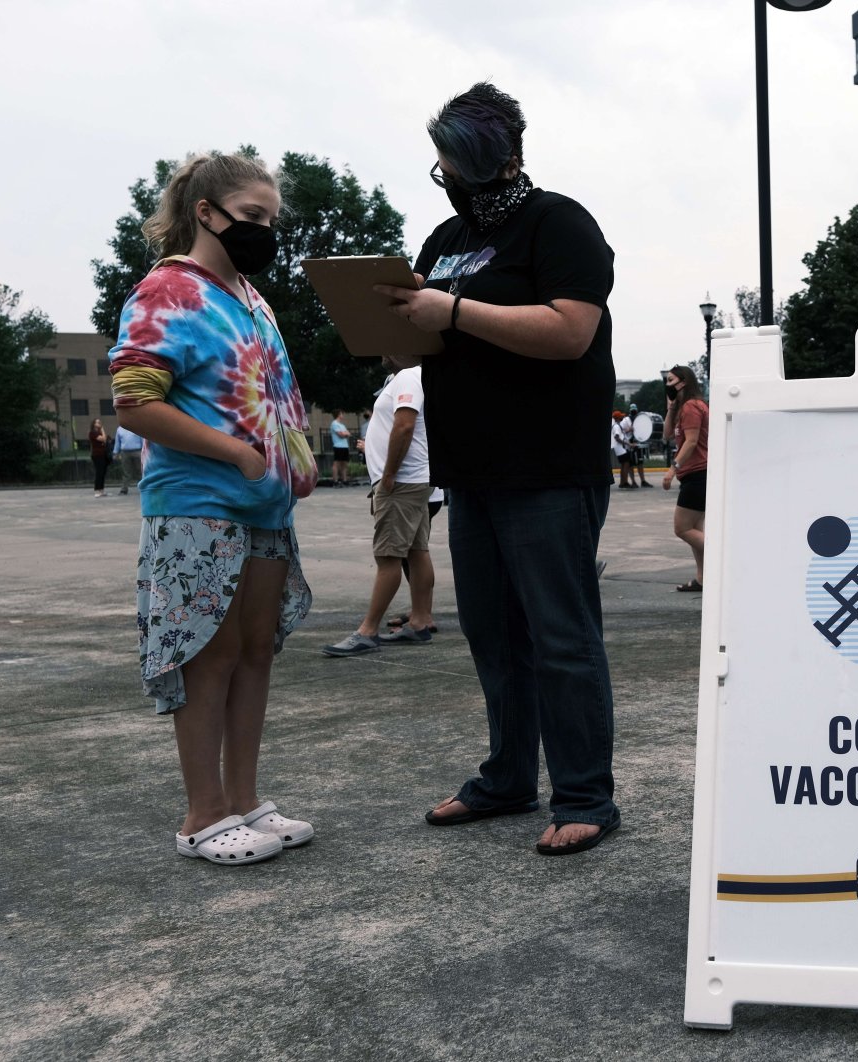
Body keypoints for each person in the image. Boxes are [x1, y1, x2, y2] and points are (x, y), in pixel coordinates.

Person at [375, 82, 620, 855]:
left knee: (561, 637)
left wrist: (449, 310)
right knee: (492, 635)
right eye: (440, 161)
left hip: (549, 467)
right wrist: (393, 326)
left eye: (452, 159)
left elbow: (569, 331)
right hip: (470, 469)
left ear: (496, 154)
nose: (444, 173)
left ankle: (584, 794)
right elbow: (424, 345)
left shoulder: (560, 223)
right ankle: (509, 778)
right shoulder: (444, 239)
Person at [108, 150, 317, 864]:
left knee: (255, 651)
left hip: (263, 508)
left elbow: (270, 395)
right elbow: (134, 402)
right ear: (208, 213)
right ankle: (203, 814)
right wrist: (232, 453)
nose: (266, 230)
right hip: (198, 504)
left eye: (271, 219)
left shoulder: (252, 297)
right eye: (253, 216)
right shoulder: (170, 290)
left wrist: (297, 456)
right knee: (210, 653)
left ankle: (243, 800)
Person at [323, 360, 437, 655]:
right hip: (414, 479)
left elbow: (404, 425)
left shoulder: (410, 376)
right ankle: (421, 621)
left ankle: (368, 630)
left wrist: (388, 476)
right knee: (416, 550)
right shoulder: (415, 375)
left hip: (400, 482)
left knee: (388, 556)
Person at [661, 364, 709, 593]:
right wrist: (671, 408)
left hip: (698, 473)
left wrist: (672, 469)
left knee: (682, 528)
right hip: (695, 475)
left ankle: (723, 559)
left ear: (684, 382)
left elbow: (690, 441)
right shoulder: (683, 408)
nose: (667, 385)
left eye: (671, 381)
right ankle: (702, 578)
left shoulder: (692, 407)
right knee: (695, 528)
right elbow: (667, 434)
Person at [112, 423, 144, 494]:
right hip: (125, 452)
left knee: (140, 471)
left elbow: (142, 439)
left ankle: (143, 488)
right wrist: (115, 452)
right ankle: (124, 489)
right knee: (126, 472)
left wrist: (143, 451)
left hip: (137, 451)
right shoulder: (120, 429)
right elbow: (118, 441)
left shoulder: (137, 427)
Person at [612, 410, 636, 488]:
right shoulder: (616, 426)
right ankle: (624, 482)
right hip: (621, 449)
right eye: (621, 416)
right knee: (626, 464)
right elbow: (617, 437)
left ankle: (623, 482)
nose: (623, 417)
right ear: (618, 418)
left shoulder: (618, 425)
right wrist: (628, 444)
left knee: (623, 465)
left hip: (621, 449)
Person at [329, 410, 351, 486]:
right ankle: (335, 480)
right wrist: (345, 433)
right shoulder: (334, 423)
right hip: (338, 446)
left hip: (345, 446)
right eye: (341, 413)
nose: (343, 415)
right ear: (338, 414)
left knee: (344, 464)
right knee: (336, 463)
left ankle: (344, 480)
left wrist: (345, 433)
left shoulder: (342, 425)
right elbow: (341, 434)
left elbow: (348, 433)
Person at [88, 418, 109, 497]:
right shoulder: (92, 433)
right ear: (93, 424)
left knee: (103, 472)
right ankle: (97, 490)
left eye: (99, 422)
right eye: (97, 422)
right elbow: (103, 439)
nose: (99, 423)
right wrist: (102, 429)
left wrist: (102, 431)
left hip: (103, 455)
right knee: (99, 472)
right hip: (97, 455)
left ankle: (101, 490)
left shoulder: (99, 432)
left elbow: (105, 440)